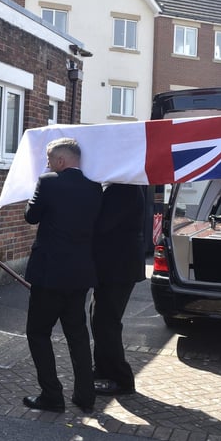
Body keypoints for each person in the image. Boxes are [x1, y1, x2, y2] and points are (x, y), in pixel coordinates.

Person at [21, 137, 102, 415]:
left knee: (38, 332)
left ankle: (52, 395)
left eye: (48, 160)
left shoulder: (48, 182)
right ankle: (85, 396)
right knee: (77, 335)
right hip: (79, 273)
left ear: (60, 161)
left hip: (49, 274)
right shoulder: (95, 189)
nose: (47, 164)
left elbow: (31, 216)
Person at [90, 183, 146, 396]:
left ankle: (121, 379)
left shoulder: (124, 189)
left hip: (119, 267)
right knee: (99, 319)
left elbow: (103, 224)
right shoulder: (120, 188)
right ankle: (103, 370)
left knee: (107, 322)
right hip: (112, 267)